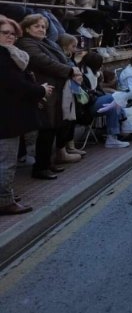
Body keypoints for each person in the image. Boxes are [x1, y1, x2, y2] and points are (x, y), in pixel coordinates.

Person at [16, 13, 82, 179]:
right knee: (46, 128)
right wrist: (69, 71)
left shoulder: (46, 42)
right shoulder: (26, 43)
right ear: (26, 28)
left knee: (52, 128)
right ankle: (40, 168)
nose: (41, 29)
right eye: (36, 26)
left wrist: (71, 70)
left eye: (43, 26)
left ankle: (47, 163)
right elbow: (44, 61)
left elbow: (61, 59)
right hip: (43, 90)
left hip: (55, 89)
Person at [0, 16, 53, 214]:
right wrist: (40, 90)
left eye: (13, 33)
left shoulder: (9, 54)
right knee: (6, 161)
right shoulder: (3, 57)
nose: (10, 37)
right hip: (6, 117)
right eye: (5, 33)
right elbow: (15, 85)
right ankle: (4, 201)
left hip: (9, 115)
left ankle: (5, 195)